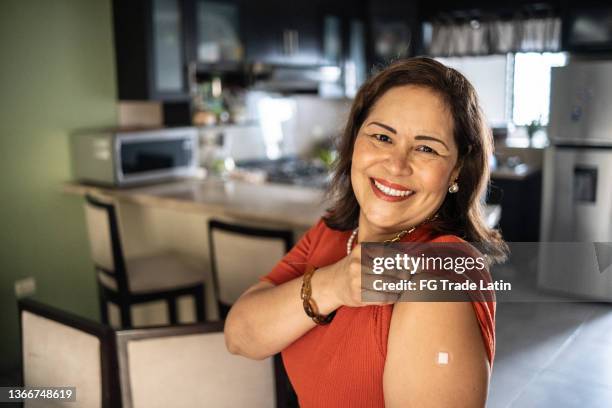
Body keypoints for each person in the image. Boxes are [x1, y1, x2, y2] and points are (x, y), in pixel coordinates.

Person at [224, 57, 507, 407]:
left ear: (456, 171)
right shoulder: (333, 233)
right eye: (382, 136)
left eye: (426, 148)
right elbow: (241, 336)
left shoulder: (440, 270)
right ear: (354, 140)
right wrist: (334, 283)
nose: (396, 164)